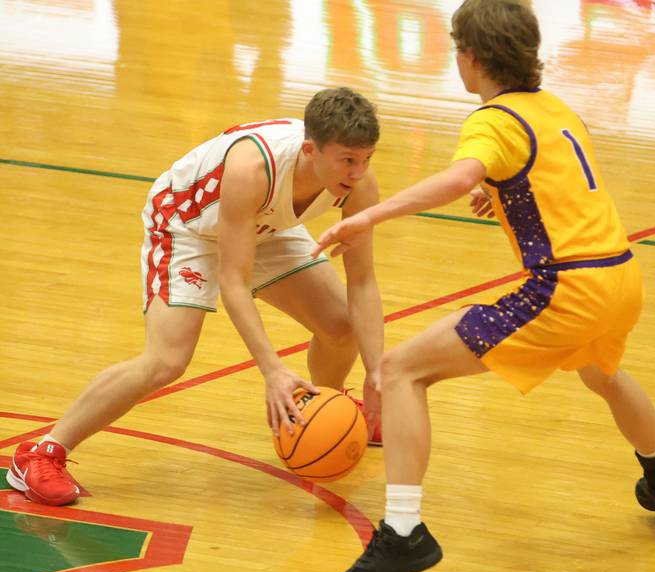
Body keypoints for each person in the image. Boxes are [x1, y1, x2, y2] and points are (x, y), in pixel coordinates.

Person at [311, 0, 655, 572]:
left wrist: (368, 215)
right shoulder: (555, 110)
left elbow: (457, 177)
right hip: (621, 278)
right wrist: (502, 190)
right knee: (602, 372)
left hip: (567, 288)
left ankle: (402, 532)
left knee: (399, 371)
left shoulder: (492, 120)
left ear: (470, 58)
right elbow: (552, 179)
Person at [6, 87, 384, 507]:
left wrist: (376, 373)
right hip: (186, 224)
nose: (358, 171)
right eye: (348, 160)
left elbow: (362, 282)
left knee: (341, 328)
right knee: (167, 360)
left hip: (263, 225)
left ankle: (325, 411)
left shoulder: (360, 184)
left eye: (367, 158)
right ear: (311, 150)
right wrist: (273, 370)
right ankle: (41, 454)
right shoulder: (252, 168)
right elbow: (234, 281)